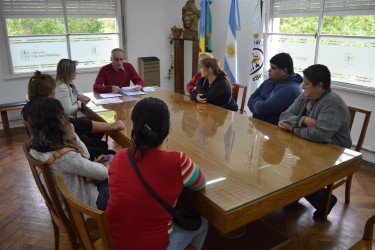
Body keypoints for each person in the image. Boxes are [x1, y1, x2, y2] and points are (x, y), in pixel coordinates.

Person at [106, 97, 208, 250]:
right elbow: (201, 184)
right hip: (155, 246)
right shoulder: (178, 161)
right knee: (204, 223)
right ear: (168, 128)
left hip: (114, 241)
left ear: (135, 126)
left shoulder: (120, 156)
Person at [278, 64, 352, 220]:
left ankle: (326, 200)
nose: (302, 87)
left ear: (320, 86)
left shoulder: (332, 103)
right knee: (286, 160)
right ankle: (295, 193)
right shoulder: (306, 95)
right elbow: (284, 116)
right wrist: (305, 120)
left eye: (307, 83)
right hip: (310, 142)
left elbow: (321, 135)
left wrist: (293, 129)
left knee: (301, 168)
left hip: (335, 149)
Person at [27, 97, 110, 210]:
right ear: (58, 122)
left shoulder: (34, 147)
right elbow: (103, 172)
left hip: (66, 204)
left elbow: (85, 157)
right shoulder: (65, 157)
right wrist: (106, 168)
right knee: (118, 175)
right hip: (86, 208)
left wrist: (73, 137)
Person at [23, 70, 120, 160]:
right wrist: (111, 125)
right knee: (110, 152)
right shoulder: (51, 106)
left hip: (49, 144)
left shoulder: (28, 107)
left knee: (100, 142)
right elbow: (76, 124)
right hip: (63, 148)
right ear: (51, 91)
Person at [247, 52, 303, 125]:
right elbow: (250, 99)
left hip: (276, 132)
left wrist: (258, 100)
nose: (269, 70)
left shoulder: (290, 90)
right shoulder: (270, 81)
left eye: (273, 68)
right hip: (261, 127)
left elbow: (263, 109)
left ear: (284, 71)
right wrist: (260, 104)